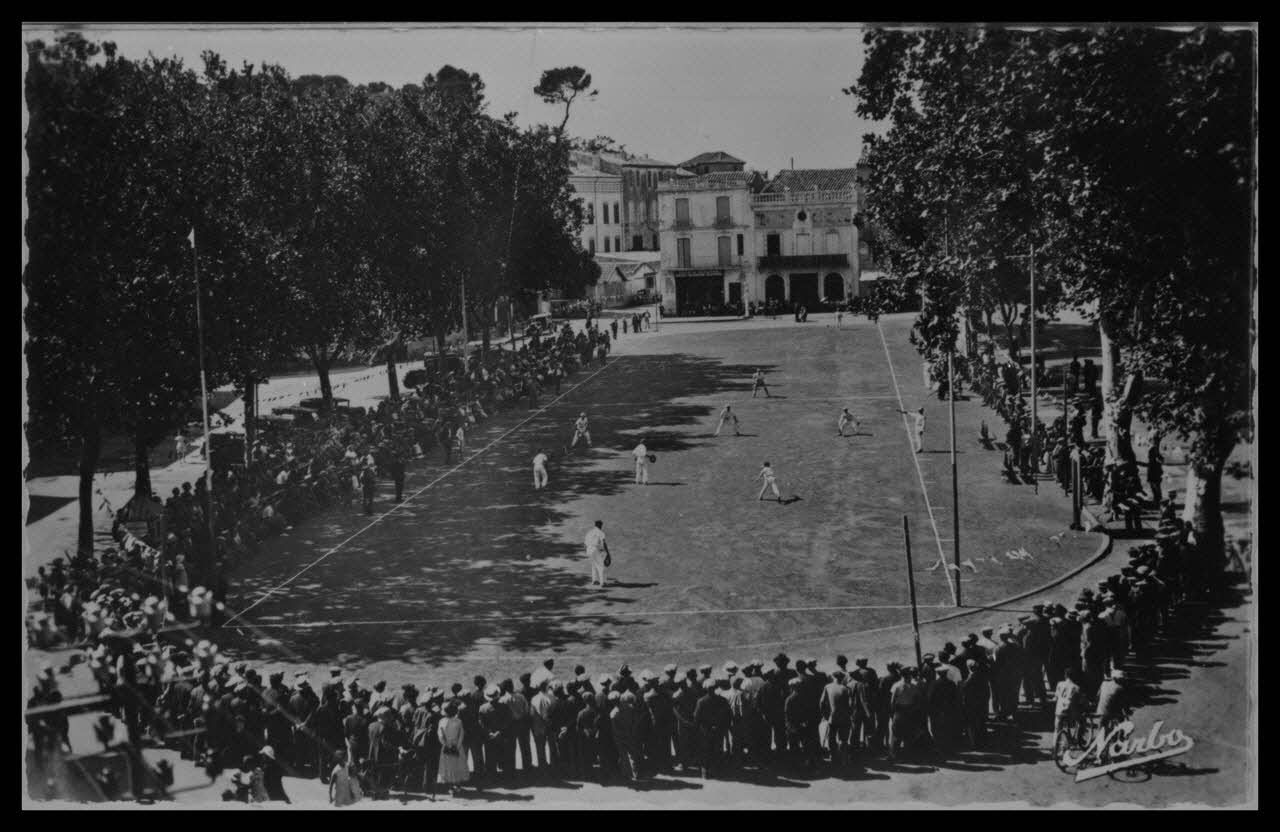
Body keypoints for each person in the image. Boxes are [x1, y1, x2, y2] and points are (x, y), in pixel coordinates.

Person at [436, 701, 470, 793]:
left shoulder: (442, 721)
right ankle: (457, 785)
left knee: (448, 766)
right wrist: (458, 746)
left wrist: (446, 745)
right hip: (457, 745)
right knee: (458, 765)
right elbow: (461, 734)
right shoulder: (459, 721)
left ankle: (450, 787)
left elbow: (440, 735)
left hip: (446, 746)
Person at [585, 520, 611, 588]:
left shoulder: (589, 532)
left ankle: (594, 581)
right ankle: (602, 583)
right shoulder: (600, 532)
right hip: (595, 549)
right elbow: (604, 543)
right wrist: (608, 553)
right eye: (601, 525)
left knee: (593, 565)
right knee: (600, 566)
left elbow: (586, 542)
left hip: (588, 550)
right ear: (600, 525)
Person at [1147, 439, 1165, 506]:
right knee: (1154, 487)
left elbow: (1161, 459)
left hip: (1154, 470)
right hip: (1153, 470)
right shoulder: (1154, 449)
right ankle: (1157, 501)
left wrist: (1158, 461)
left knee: (1155, 487)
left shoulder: (1154, 449)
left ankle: (1158, 501)